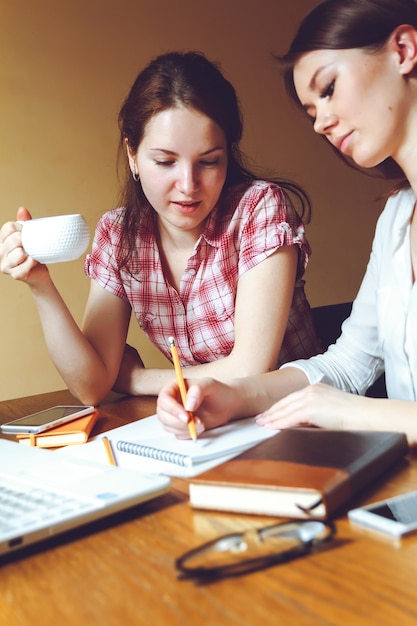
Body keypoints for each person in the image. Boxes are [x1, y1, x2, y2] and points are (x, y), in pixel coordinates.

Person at [156, 0, 417, 446]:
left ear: (404, 50)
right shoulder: (396, 219)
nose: (320, 124)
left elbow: (347, 399)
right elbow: (348, 364)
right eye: (311, 111)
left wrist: (357, 412)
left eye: (329, 88)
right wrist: (230, 396)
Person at [0, 51, 319, 405]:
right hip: (202, 424)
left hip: (299, 417)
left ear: (228, 153)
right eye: (165, 161)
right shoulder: (120, 235)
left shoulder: (259, 208)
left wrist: (138, 379)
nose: (188, 184)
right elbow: (91, 386)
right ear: (133, 155)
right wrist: (40, 285)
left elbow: (252, 370)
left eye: (209, 161)